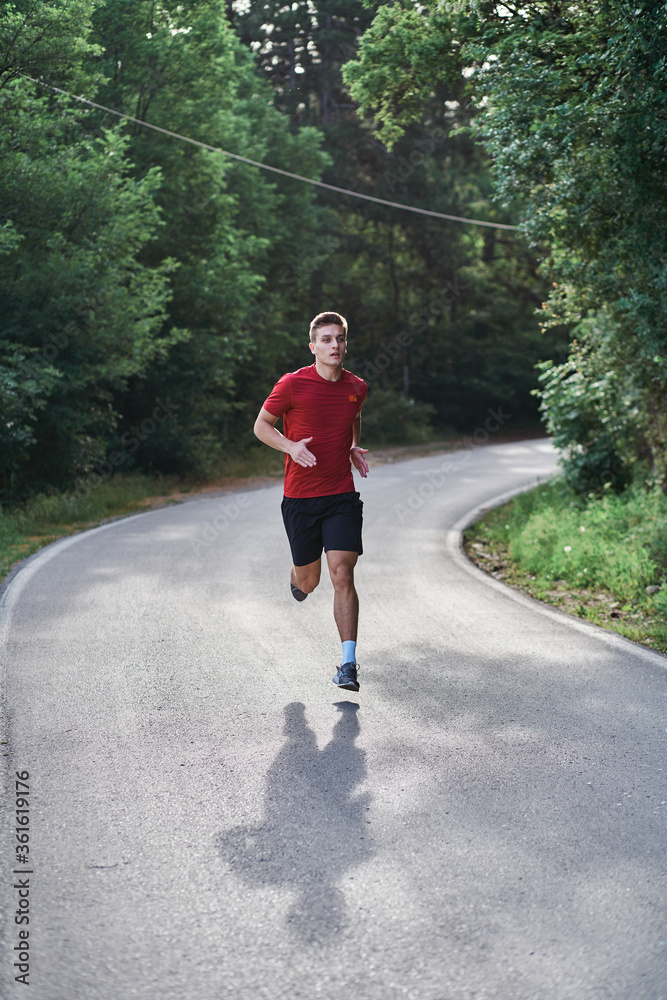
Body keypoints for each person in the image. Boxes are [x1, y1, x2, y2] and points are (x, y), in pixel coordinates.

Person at [253, 311, 369, 692]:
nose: (335, 345)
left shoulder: (357, 387)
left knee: (342, 573)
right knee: (310, 581)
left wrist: (353, 446)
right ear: (313, 346)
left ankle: (348, 665)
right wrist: (289, 446)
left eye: (340, 338)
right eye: (327, 339)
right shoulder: (292, 384)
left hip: (341, 495)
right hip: (300, 498)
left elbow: (354, 414)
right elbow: (261, 426)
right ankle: (296, 578)